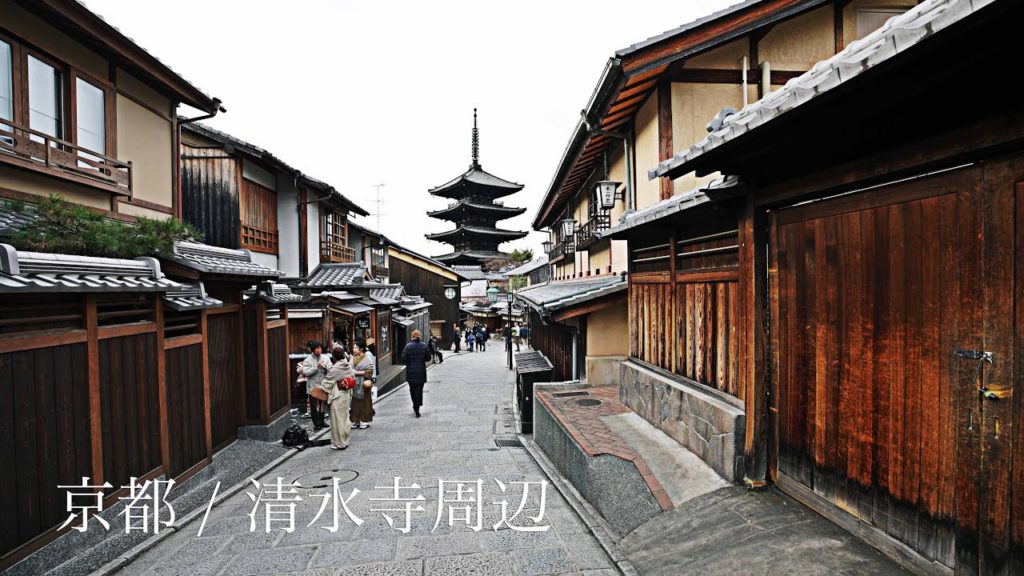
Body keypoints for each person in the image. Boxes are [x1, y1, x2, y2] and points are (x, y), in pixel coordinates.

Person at [320, 346, 354, 450]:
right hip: (346, 395)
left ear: (334, 357)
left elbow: (325, 384)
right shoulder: (347, 365)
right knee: (345, 418)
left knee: (337, 420)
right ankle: (346, 440)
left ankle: (339, 443)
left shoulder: (335, 369)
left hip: (337, 396)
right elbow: (352, 377)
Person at [299, 340, 331, 430]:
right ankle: (316, 424)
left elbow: (331, 369)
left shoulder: (326, 358)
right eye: (316, 349)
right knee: (314, 406)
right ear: (312, 350)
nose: (318, 350)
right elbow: (305, 372)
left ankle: (322, 421)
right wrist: (316, 367)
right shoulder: (307, 360)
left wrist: (325, 368)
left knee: (322, 405)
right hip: (313, 386)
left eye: (319, 348)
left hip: (323, 385)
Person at [400, 329, 429, 417]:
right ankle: (417, 407)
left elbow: (403, 358)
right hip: (421, 371)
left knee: (412, 390)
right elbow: (428, 358)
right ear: (419, 336)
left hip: (411, 371)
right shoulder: (424, 346)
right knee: (419, 390)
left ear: (412, 336)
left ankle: (415, 405)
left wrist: (409, 361)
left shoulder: (408, 346)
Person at [350, 340, 376, 429]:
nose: (353, 349)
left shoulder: (367, 358)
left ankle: (364, 421)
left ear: (361, 349)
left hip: (363, 383)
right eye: (353, 347)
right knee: (354, 403)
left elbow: (369, 372)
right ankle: (356, 421)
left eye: (355, 347)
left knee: (364, 403)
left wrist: (356, 372)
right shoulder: (353, 358)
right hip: (354, 383)